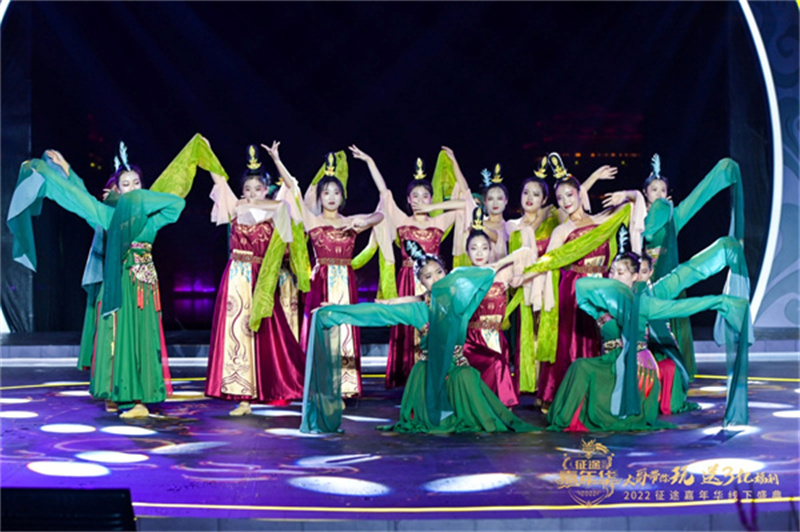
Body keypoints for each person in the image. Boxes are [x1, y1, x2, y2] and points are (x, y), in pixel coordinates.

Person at [8, 137, 232, 417]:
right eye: (126, 185)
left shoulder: (152, 219)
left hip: (145, 289)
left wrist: (140, 199)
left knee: (141, 339)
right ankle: (123, 396)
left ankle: (137, 397)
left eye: (137, 184)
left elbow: (175, 203)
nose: (133, 189)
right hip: (119, 285)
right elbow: (78, 199)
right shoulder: (108, 216)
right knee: (118, 339)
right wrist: (64, 172)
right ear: (116, 190)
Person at [300, 241, 539, 434]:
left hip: (457, 370)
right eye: (428, 276)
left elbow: (484, 274)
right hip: (428, 373)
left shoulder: (462, 304)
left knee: (467, 378)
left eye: (439, 272)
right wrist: (338, 309)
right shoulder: (419, 311)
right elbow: (376, 313)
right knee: (436, 405)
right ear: (421, 282)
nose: (436, 279)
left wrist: (509, 258)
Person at [547, 228, 752, 431]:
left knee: (583, 367)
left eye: (620, 273)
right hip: (611, 361)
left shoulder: (643, 303)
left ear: (635, 276)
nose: (614, 276)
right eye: (612, 272)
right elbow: (581, 288)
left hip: (637, 367)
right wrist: (615, 293)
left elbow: (682, 307)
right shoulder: (604, 304)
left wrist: (718, 302)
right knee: (579, 366)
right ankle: (569, 419)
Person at [265, 141, 383, 398]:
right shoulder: (312, 220)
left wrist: (364, 220)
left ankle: (346, 387)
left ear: (342, 197)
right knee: (321, 331)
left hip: (346, 281)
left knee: (346, 329)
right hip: (321, 280)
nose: (331, 197)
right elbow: (293, 188)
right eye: (326, 192)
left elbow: (381, 213)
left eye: (336, 192)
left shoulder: (351, 222)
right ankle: (321, 384)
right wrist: (276, 160)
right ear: (319, 197)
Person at [349, 144, 471, 389]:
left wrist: (454, 163)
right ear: (408, 199)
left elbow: (466, 201)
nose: (420, 200)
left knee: (435, 329)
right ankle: (409, 379)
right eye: (415, 196)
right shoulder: (401, 220)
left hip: (435, 284)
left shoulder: (439, 221)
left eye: (425, 196)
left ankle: (436, 378)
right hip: (408, 279)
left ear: (431, 198)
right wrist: (370, 161)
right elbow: (384, 193)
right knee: (409, 330)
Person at [534, 152, 645, 413]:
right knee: (574, 342)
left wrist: (625, 194)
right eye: (560, 198)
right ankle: (574, 396)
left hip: (604, 287)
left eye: (569, 195)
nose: (565, 201)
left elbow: (634, 205)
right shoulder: (561, 230)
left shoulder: (601, 221)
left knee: (604, 338)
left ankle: (605, 393)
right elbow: (547, 265)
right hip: (575, 290)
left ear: (579, 195)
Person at [204, 145, 305, 416]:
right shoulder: (236, 208)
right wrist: (209, 152)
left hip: (262, 276)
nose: (251, 193)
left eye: (257, 188)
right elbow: (219, 181)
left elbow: (292, 188)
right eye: (247, 189)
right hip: (236, 276)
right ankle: (243, 397)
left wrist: (276, 159)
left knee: (265, 333)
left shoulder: (276, 209)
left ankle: (271, 387)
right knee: (238, 333)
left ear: (266, 189)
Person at [461, 207, 522, 407]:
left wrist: (498, 264)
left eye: (484, 248)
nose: (479, 253)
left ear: (490, 250)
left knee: (499, 365)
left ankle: (496, 410)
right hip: (472, 341)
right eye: (474, 248)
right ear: (467, 252)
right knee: (496, 364)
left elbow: (527, 254)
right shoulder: (461, 275)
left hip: (497, 338)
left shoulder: (501, 274)